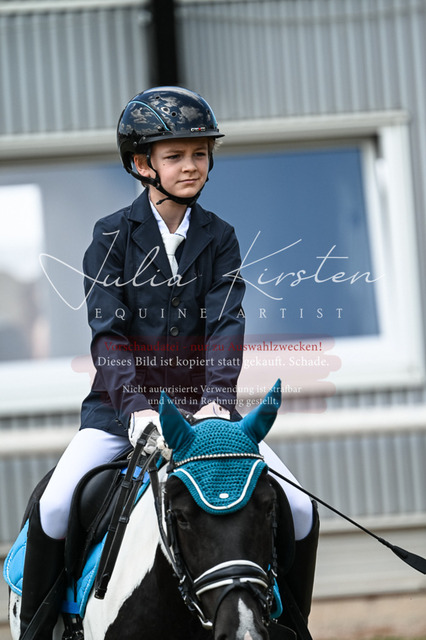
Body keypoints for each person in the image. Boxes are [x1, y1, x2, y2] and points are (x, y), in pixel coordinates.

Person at [18, 86, 316, 640]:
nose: (191, 165)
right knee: (55, 505)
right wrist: (135, 410)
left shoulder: (220, 237)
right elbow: (108, 336)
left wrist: (217, 403)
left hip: (206, 419)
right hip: (118, 415)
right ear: (142, 164)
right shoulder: (110, 236)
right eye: (175, 155)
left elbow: (226, 324)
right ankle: (39, 629)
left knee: (298, 507)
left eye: (200, 153)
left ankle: (292, 625)